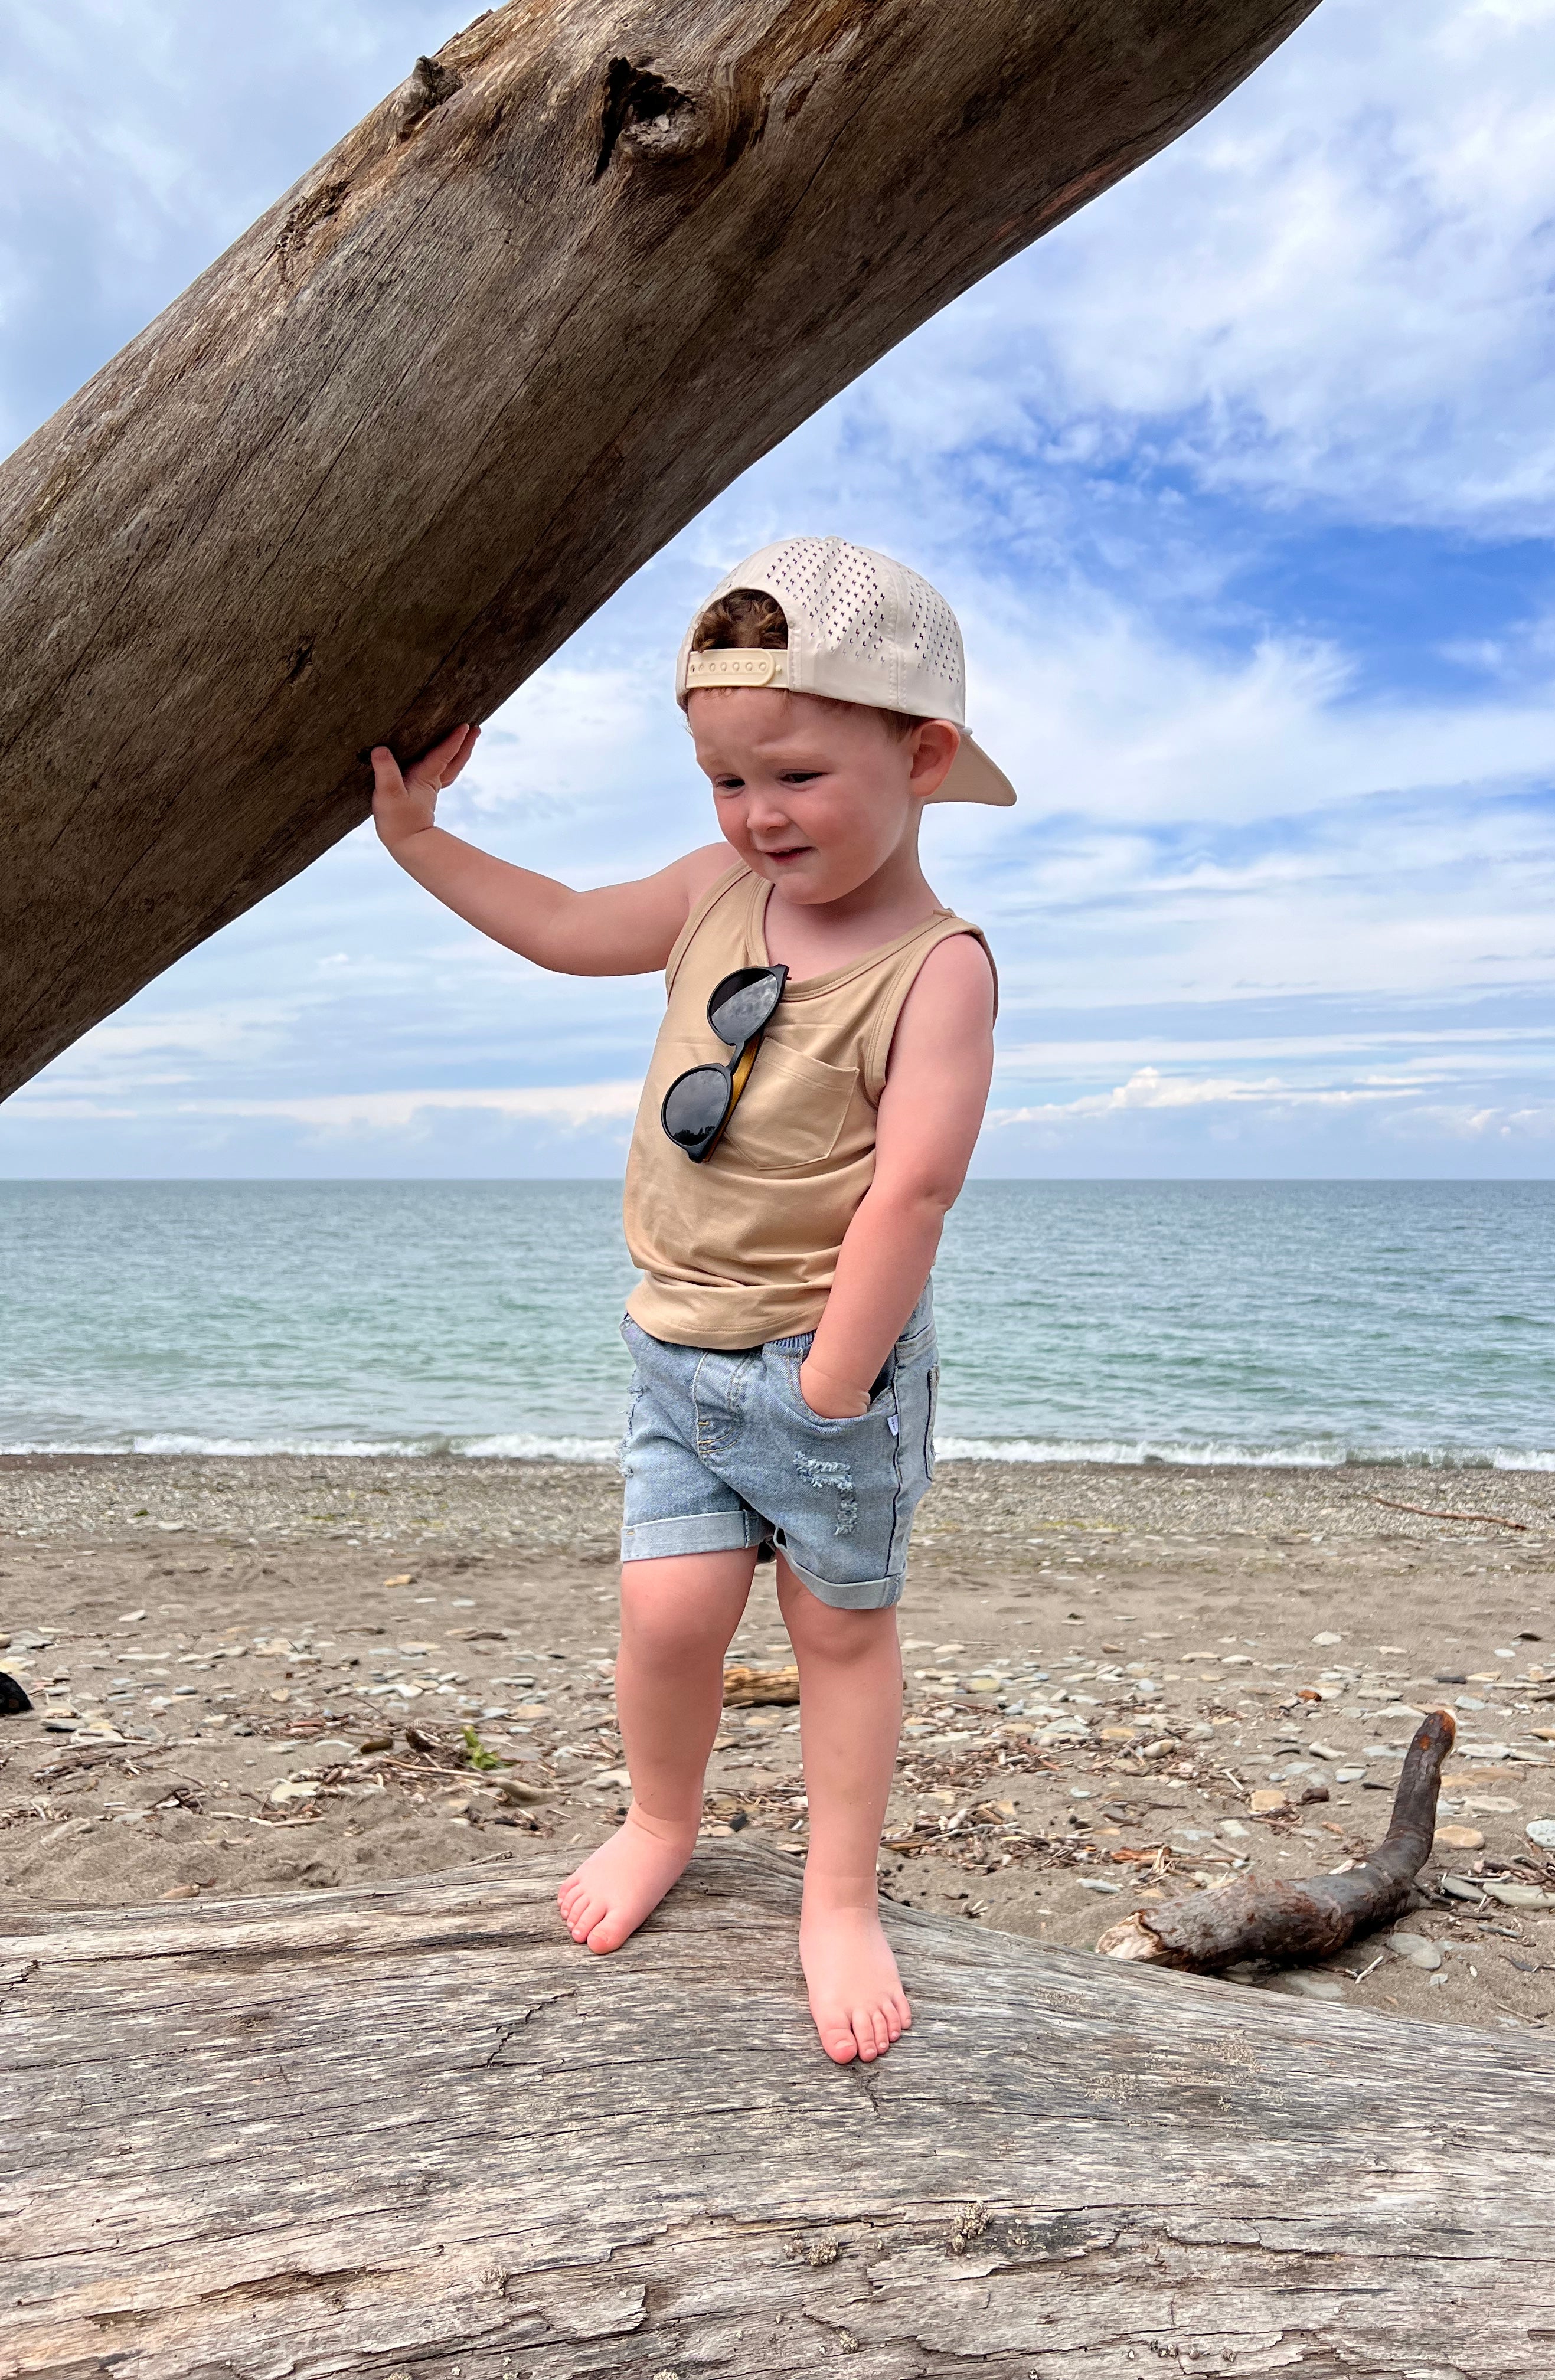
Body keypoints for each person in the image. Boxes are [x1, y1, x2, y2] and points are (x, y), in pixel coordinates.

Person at [370, 537, 1010, 2064]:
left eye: (789, 775)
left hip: (820, 1360)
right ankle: (663, 1816)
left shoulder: (939, 969)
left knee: (839, 1630)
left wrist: (841, 1381)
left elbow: (913, 1189)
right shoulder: (722, 891)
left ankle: (838, 1894)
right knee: (665, 1619)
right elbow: (572, 925)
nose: (755, 816)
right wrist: (418, 846)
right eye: (725, 780)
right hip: (674, 1350)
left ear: (920, 755)